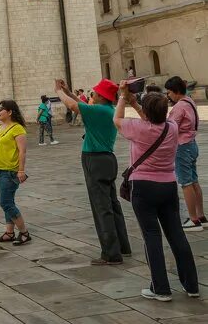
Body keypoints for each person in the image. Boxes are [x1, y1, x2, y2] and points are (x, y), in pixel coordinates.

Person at [114, 82, 199, 301]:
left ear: (147, 112)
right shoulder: (171, 127)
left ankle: (160, 288)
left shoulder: (139, 129)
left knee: (151, 236)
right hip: (168, 186)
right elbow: (153, 119)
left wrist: (124, 97)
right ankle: (191, 285)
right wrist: (136, 103)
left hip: (143, 187)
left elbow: (117, 120)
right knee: (177, 234)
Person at [55, 77, 131, 265]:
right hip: (107, 159)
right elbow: (81, 104)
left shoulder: (98, 111)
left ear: (101, 96)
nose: (92, 94)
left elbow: (74, 107)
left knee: (101, 207)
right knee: (112, 204)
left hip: (94, 160)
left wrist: (58, 92)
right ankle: (123, 246)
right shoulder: (106, 110)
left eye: (95, 92)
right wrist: (69, 90)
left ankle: (111, 254)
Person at [164, 76, 206, 230]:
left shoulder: (179, 107)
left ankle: (193, 220)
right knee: (194, 181)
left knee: (185, 182)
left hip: (182, 146)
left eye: (169, 92)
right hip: (192, 144)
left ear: (175, 91)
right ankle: (201, 216)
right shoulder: (190, 101)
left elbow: (171, 127)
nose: (168, 95)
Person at [0, 100, 30, 245]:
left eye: (1, 109)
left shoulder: (17, 129)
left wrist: (21, 170)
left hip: (10, 171)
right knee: (7, 202)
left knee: (6, 202)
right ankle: (9, 232)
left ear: (10, 112)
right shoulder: (0, 128)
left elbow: (22, 151)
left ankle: (24, 233)